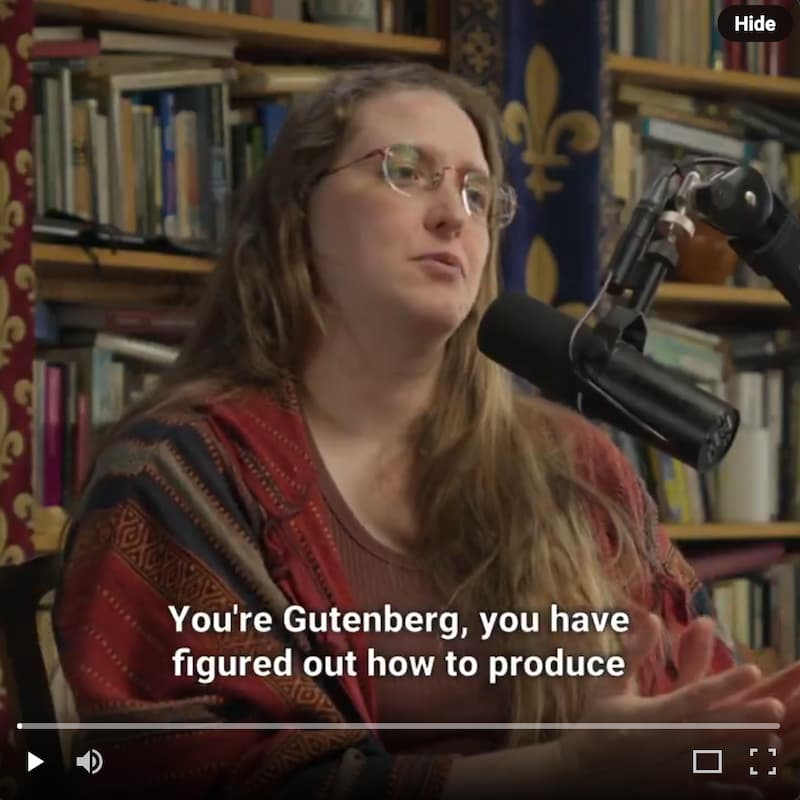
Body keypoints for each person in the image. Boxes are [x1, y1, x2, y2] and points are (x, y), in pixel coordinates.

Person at [53, 62, 800, 800]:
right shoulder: (183, 469)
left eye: (478, 194)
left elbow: (688, 716)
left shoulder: (575, 463)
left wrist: (744, 739)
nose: (454, 215)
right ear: (297, 217)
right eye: (406, 171)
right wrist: (570, 774)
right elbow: (192, 775)